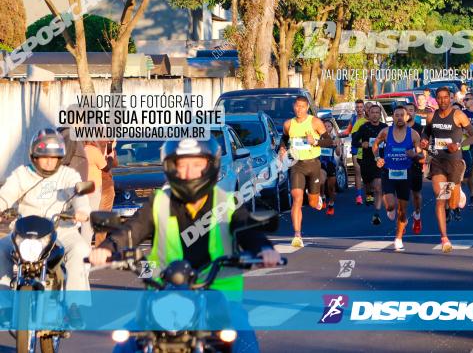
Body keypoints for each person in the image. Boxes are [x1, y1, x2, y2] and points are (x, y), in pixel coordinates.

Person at [90, 138, 282, 353]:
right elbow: (133, 229)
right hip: (163, 291)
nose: (190, 172)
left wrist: (264, 250)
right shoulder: (159, 202)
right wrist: (108, 247)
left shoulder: (226, 202)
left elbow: (248, 230)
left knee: (243, 339)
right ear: (172, 168)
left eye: (197, 164)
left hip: (218, 294)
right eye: (182, 165)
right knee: (127, 341)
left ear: (210, 167)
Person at [0, 130, 92, 312]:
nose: (50, 161)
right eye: (44, 157)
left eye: (54, 157)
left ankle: (74, 305)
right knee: (1, 249)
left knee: (80, 249)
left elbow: (79, 195)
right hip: (24, 232)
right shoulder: (22, 174)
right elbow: (6, 195)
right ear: (34, 156)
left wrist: (82, 210)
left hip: (61, 230)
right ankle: (5, 301)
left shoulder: (68, 175)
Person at [420, 87, 473, 253]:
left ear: (451, 99)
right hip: (438, 161)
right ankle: (444, 238)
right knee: (440, 199)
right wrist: (424, 141)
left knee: (452, 205)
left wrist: (459, 145)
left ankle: (458, 193)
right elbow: (426, 134)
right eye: (439, 98)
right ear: (436, 99)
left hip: (454, 163)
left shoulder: (458, 115)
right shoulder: (432, 116)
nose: (443, 100)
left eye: (446, 98)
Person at [279, 96, 330, 248]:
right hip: (297, 165)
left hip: (313, 164)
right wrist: (282, 148)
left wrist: (315, 142)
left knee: (313, 203)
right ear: (294, 107)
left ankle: (318, 198)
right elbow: (284, 139)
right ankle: (297, 235)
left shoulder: (315, 122)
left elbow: (329, 141)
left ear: (307, 107)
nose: (299, 109)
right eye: (297, 106)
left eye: (302, 106)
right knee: (297, 198)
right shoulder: (288, 124)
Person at [373, 107, 422, 251]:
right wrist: (377, 158)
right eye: (397, 115)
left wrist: (414, 154)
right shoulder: (385, 132)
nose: (399, 118)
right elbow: (375, 145)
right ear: (393, 117)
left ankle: (398, 238)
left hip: (405, 173)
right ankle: (390, 209)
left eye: (402, 115)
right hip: (389, 172)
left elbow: (421, 156)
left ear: (407, 117)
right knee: (390, 205)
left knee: (402, 210)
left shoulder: (413, 134)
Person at [352, 104, 388, 226]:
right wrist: (362, 144)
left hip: (380, 161)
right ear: (369, 114)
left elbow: (391, 142)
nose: (375, 115)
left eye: (377, 112)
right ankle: (368, 193)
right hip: (367, 160)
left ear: (380, 115)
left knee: (378, 186)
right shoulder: (364, 127)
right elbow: (354, 141)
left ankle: (377, 213)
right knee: (368, 183)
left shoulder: (385, 128)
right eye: (372, 112)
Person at [403, 102, 427, 234]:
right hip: (399, 164)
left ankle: (417, 215)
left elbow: (424, 147)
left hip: (416, 163)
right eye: (406, 110)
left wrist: (423, 159)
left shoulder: (420, 129)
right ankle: (403, 219)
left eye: (411, 110)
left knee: (416, 194)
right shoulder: (396, 128)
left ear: (415, 113)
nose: (409, 113)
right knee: (401, 194)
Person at [343, 100, 367, 205]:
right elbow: (348, 131)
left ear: (364, 108)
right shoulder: (353, 119)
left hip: (366, 148)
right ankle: (359, 196)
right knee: (358, 171)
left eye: (361, 107)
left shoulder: (367, 119)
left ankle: (369, 194)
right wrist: (336, 136)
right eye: (357, 107)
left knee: (367, 173)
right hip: (356, 148)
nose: (359, 109)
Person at [319, 118, 344, 216]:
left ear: (331, 128)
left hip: (331, 163)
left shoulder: (335, 138)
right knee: (321, 181)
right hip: (321, 162)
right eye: (324, 126)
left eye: (328, 126)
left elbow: (338, 153)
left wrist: (337, 145)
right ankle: (322, 195)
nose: (326, 128)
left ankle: (331, 204)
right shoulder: (319, 138)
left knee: (331, 187)